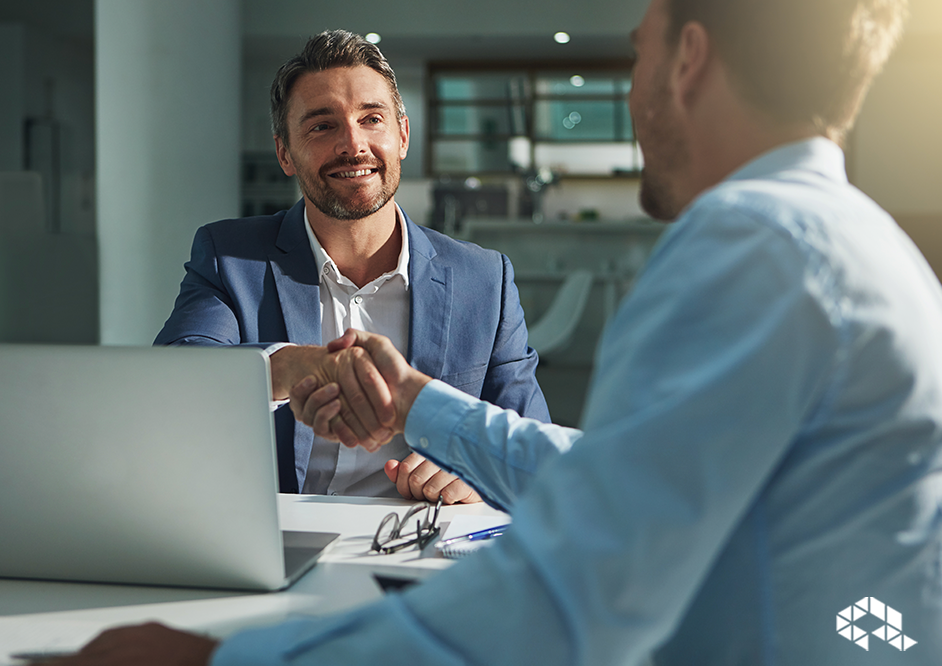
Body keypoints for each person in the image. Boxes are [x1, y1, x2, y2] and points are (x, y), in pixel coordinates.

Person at [61, 0, 942, 663]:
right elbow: (606, 484)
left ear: (691, 60)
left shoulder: (750, 248)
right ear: (287, 149)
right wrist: (419, 407)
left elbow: (576, 591)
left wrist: (230, 658)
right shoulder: (850, 239)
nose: (628, 95)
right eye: (321, 123)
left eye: (634, 58)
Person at [153, 30, 549, 503]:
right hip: (274, 545)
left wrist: (481, 474)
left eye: (371, 119)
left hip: (420, 544)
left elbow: (532, 446)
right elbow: (173, 380)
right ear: (285, 152)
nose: (353, 144)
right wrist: (294, 366)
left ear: (402, 135)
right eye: (322, 126)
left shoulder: (484, 280)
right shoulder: (228, 257)